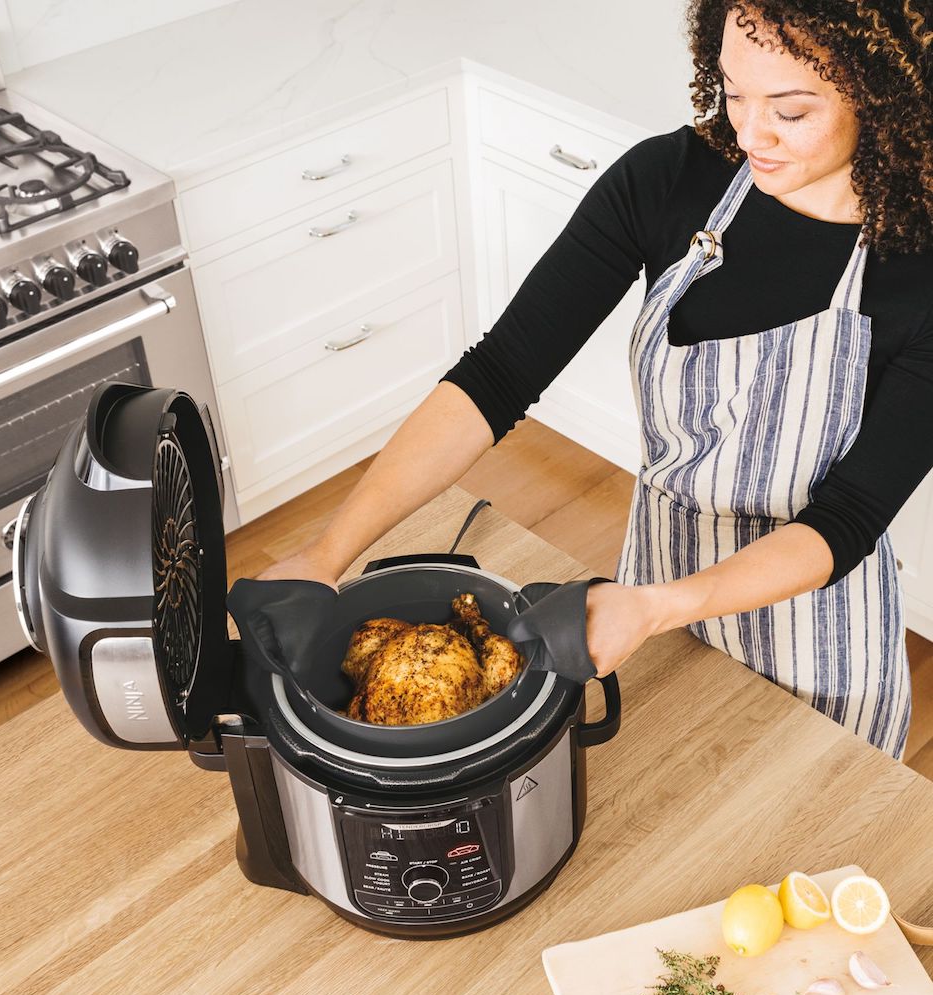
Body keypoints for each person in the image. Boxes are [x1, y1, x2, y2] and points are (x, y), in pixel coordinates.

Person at [257, 0, 933, 761]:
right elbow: (498, 374)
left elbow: (847, 518)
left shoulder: (919, 273)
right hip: (655, 571)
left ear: (884, 98)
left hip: (815, 620)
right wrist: (326, 553)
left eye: (791, 110)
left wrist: (658, 608)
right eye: (733, 91)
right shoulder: (669, 179)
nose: (749, 134)